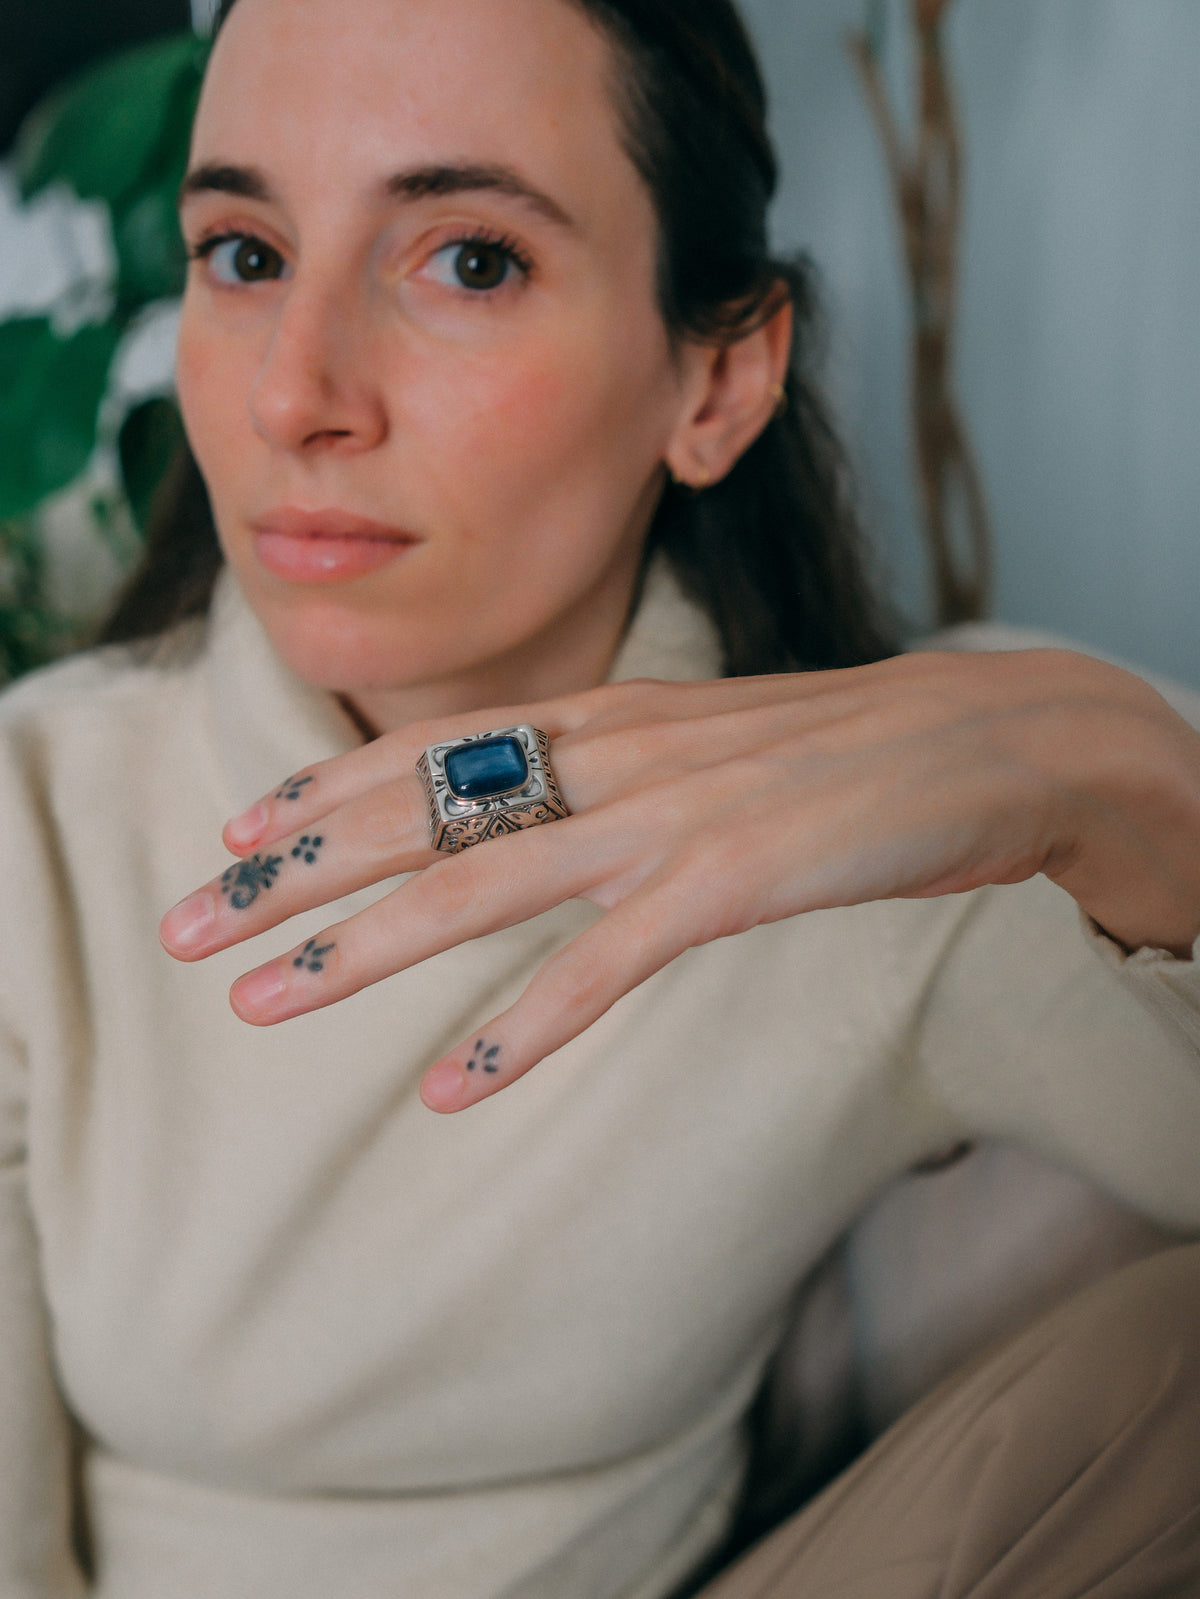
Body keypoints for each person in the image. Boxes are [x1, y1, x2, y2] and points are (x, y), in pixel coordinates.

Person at [2, 0, 1199, 1594]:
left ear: (716, 381)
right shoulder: (42, 817)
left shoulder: (898, 824)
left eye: (469, 259)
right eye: (244, 253)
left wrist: (1106, 769)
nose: (297, 394)